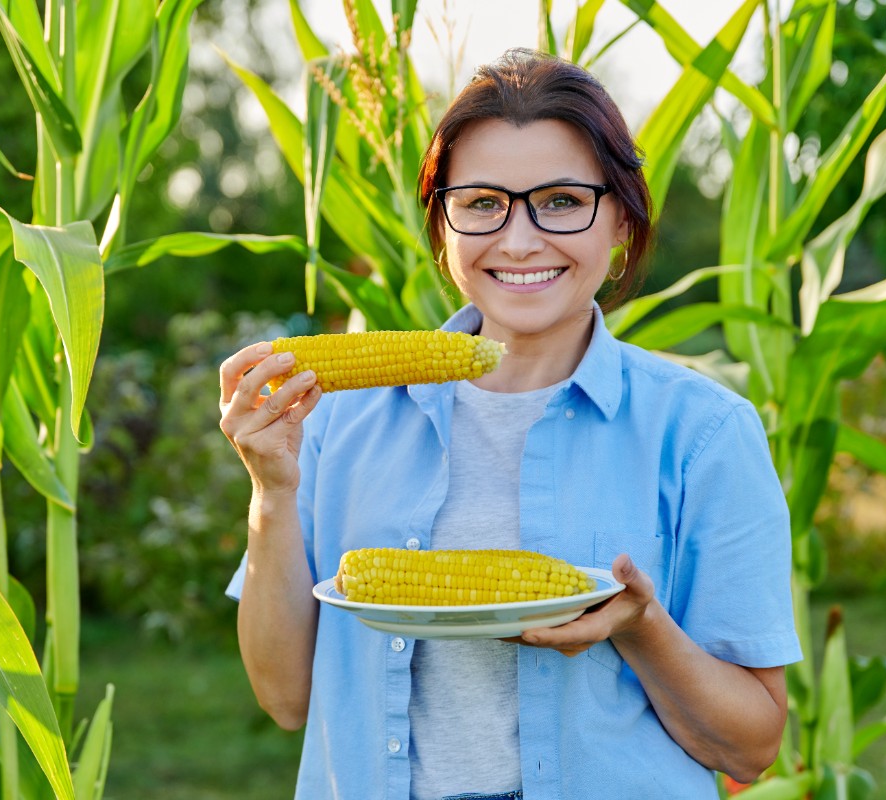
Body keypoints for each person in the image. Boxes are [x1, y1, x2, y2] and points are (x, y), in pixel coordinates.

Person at [219, 48, 801, 800]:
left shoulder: (703, 433)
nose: (519, 239)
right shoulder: (341, 417)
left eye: (561, 201)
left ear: (621, 217)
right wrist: (271, 489)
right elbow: (285, 698)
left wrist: (641, 625)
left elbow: (751, 749)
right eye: (483, 202)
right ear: (442, 225)